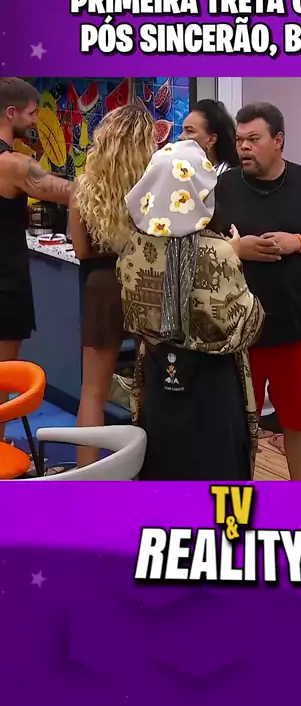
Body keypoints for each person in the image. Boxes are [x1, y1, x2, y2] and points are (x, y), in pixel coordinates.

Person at [215, 102, 301, 481]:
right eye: (239, 140)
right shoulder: (222, 187)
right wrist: (236, 249)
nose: (244, 147)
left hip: (296, 328)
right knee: (237, 426)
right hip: (238, 332)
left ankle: (299, 497)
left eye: (253, 139)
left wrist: (300, 242)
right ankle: (238, 498)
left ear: (278, 140)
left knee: (300, 421)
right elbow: (199, 249)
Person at [117, 138, 264, 481]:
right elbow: (247, 325)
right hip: (212, 387)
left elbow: (133, 315)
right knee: (215, 474)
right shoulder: (219, 251)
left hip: (157, 375)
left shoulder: (133, 246)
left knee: (162, 469)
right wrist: (234, 254)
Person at [69, 105, 157, 467]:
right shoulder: (158, 181)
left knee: (93, 391)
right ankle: (153, 471)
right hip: (149, 281)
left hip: (103, 283)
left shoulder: (85, 185)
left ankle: (87, 474)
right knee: (154, 387)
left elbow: (81, 250)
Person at [0, 78, 72, 438]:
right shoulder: (13, 164)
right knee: (1, 378)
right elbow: (69, 192)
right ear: (10, 113)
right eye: (31, 113)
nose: (34, 121)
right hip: (5, 283)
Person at [180, 98, 239, 174]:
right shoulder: (187, 173)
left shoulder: (229, 177)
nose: (181, 137)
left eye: (189, 131)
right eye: (183, 131)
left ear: (211, 140)